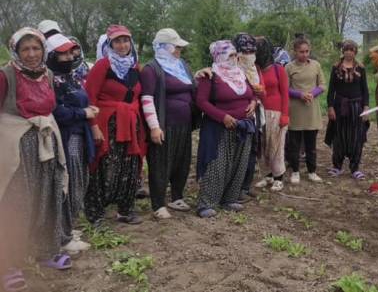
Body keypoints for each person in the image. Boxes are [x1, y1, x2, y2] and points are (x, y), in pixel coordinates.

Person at [1, 28, 74, 289]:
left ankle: (45, 251)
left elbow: (49, 108)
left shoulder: (48, 74)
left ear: (43, 50)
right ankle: (8, 264)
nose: (31, 54)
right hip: (17, 147)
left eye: (36, 48)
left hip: (46, 143)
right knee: (16, 202)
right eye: (25, 50)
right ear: (16, 52)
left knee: (47, 196)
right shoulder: (6, 75)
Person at [84, 25, 146, 226]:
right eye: (117, 41)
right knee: (104, 166)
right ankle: (96, 213)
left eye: (125, 40)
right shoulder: (103, 66)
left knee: (130, 165)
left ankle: (125, 210)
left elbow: (139, 96)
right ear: (110, 44)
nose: (122, 45)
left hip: (130, 123)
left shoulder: (135, 67)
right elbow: (89, 98)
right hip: (107, 123)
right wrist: (93, 126)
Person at [46, 33, 97, 250]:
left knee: (80, 180)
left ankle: (69, 227)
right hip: (66, 137)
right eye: (62, 53)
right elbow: (57, 112)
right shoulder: (50, 80)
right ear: (51, 56)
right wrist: (83, 113)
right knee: (70, 182)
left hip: (79, 133)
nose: (68, 57)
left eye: (69, 52)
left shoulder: (70, 77)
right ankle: (63, 236)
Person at [195, 40, 256, 218]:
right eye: (230, 55)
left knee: (239, 162)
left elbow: (251, 94)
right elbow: (201, 102)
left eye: (235, 54)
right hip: (219, 128)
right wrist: (223, 117)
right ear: (219, 56)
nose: (234, 58)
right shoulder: (211, 76)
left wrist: (253, 103)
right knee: (217, 164)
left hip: (243, 126)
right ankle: (207, 202)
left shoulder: (240, 74)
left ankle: (229, 199)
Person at [140, 28, 196, 220]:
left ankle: (177, 196)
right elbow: (146, 98)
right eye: (177, 47)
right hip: (164, 124)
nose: (180, 50)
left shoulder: (181, 66)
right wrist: (154, 126)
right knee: (160, 163)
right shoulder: (151, 69)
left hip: (184, 124)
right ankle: (158, 204)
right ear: (166, 47)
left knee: (182, 160)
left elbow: (191, 86)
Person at [325, 40, 370, 179]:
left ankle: (355, 167)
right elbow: (331, 89)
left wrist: (366, 107)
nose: (349, 52)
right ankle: (337, 166)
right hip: (340, 106)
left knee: (356, 136)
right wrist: (330, 107)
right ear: (343, 51)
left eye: (352, 50)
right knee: (339, 135)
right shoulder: (336, 68)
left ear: (355, 52)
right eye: (346, 49)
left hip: (356, 107)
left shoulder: (360, 68)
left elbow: (365, 90)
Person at [285, 36, 325, 184]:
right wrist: (299, 94)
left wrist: (311, 94)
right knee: (294, 144)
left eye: (307, 51)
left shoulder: (316, 65)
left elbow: (322, 85)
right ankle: (295, 171)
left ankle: (312, 171)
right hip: (295, 109)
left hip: (311, 109)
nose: (305, 54)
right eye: (301, 51)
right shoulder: (289, 67)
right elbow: (285, 89)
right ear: (295, 51)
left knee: (311, 144)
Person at [233, 33, 266, 203]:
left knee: (253, 151)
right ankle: (235, 188)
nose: (248, 55)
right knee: (239, 152)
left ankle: (246, 186)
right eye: (244, 52)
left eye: (251, 51)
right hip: (240, 115)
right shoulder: (231, 67)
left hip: (255, 113)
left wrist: (259, 93)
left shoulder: (255, 68)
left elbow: (263, 91)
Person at [254, 37, 289, 192]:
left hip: (276, 112)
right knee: (262, 145)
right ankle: (267, 175)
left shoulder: (278, 69)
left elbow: (285, 93)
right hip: (259, 111)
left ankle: (278, 177)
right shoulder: (254, 70)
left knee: (276, 145)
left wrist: (285, 115)